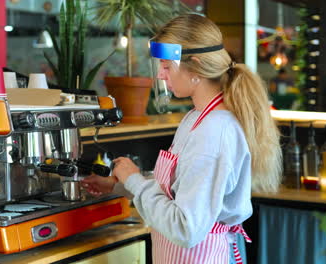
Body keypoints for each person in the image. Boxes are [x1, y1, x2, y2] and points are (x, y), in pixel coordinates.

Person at [82, 14, 282, 264]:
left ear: (195, 67)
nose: (161, 76)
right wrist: (119, 184)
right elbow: (176, 190)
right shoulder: (196, 118)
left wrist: (133, 179)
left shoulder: (214, 131)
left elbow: (186, 228)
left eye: (166, 66)